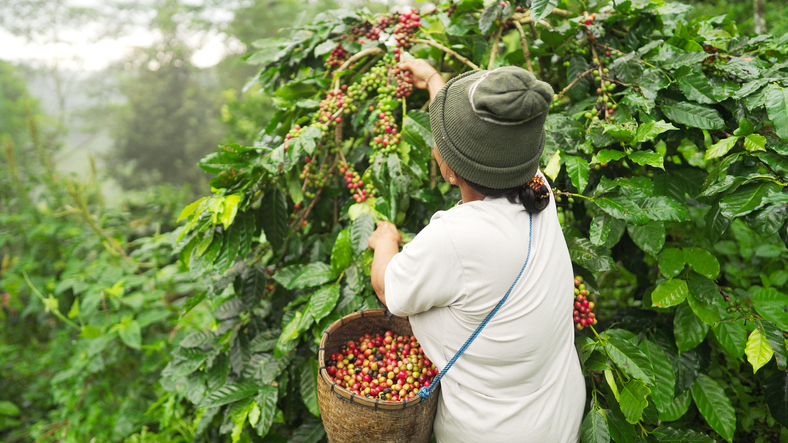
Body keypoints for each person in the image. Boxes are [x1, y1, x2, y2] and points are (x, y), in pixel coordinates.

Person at [367, 59, 585, 443]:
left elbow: (390, 290)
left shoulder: (455, 238)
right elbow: (480, 148)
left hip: (496, 432)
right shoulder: (537, 187)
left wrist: (386, 242)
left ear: (450, 169)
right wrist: (435, 82)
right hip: (556, 412)